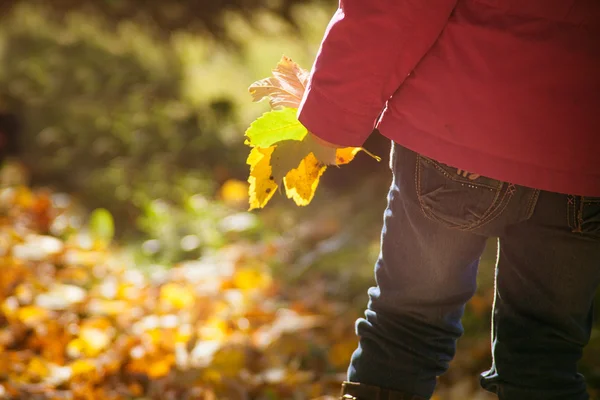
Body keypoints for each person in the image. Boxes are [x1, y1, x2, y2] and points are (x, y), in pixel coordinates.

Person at [296, 1, 600, 399]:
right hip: (583, 154)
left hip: (460, 130)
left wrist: (332, 115)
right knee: (545, 356)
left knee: (407, 328)